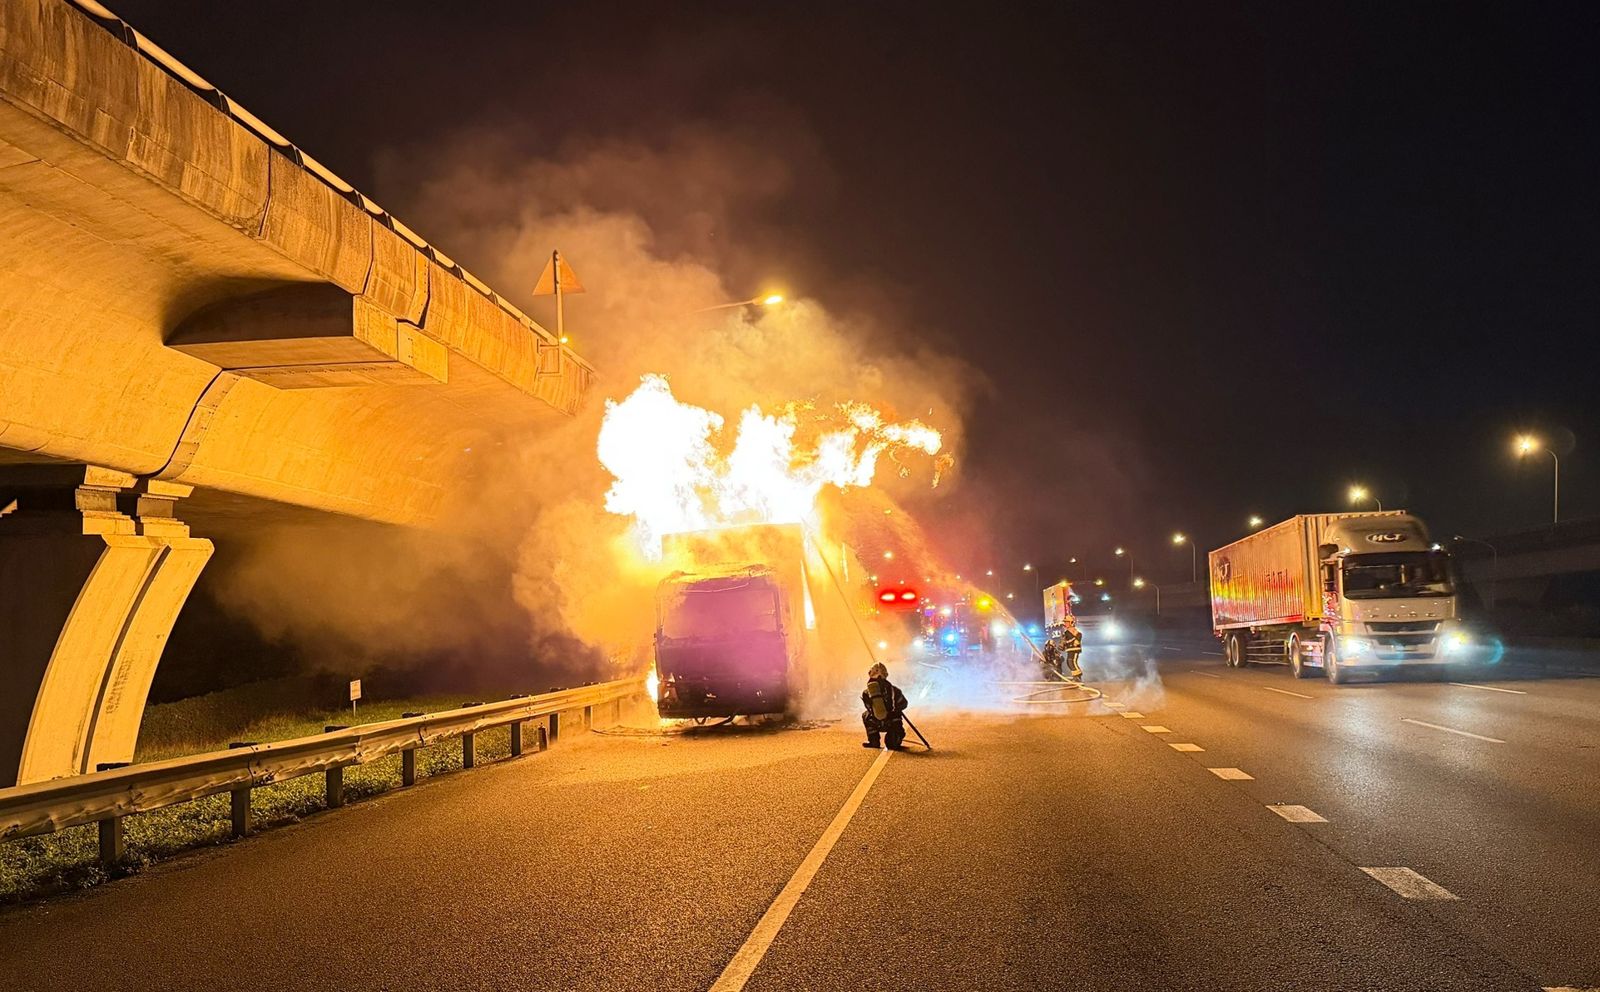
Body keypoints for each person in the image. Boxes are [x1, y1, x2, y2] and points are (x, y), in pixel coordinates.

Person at [861, 662, 909, 750]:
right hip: (892, 722)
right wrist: (893, 712)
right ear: (886, 675)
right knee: (893, 745)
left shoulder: (866, 692)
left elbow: (868, 707)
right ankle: (895, 738)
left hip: (875, 722)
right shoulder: (895, 690)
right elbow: (904, 704)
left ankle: (874, 740)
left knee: (865, 715)